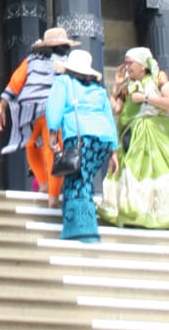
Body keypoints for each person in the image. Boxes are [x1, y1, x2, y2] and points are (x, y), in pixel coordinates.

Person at [98, 46, 169, 230]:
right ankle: (134, 213)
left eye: (130, 63)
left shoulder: (159, 78)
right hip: (131, 136)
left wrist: (145, 98)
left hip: (154, 134)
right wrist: (116, 86)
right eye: (125, 63)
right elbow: (116, 109)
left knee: (153, 173)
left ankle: (155, 215)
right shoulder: (127, 87)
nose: (127, 67)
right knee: (131, 172)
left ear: (143, 65)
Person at [0, 27, 78, 205]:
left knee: (31, 145)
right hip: (53, 111)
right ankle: (53, 194)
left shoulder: (31, 60)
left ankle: (43, 183)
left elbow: (15, 82)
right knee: (53, 149)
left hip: (29, 111)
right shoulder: (67, 62)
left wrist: (1, 106)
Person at [45, 48, 119, 242]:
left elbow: (54, 106)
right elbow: (109, 117)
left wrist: (52, 132)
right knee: (84, 179)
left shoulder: (63, 81)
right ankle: (82, 226)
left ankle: (82, 230)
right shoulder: (99, 90)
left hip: (79, 136)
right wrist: (114, 151)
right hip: (102, 139)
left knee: (76, 180)